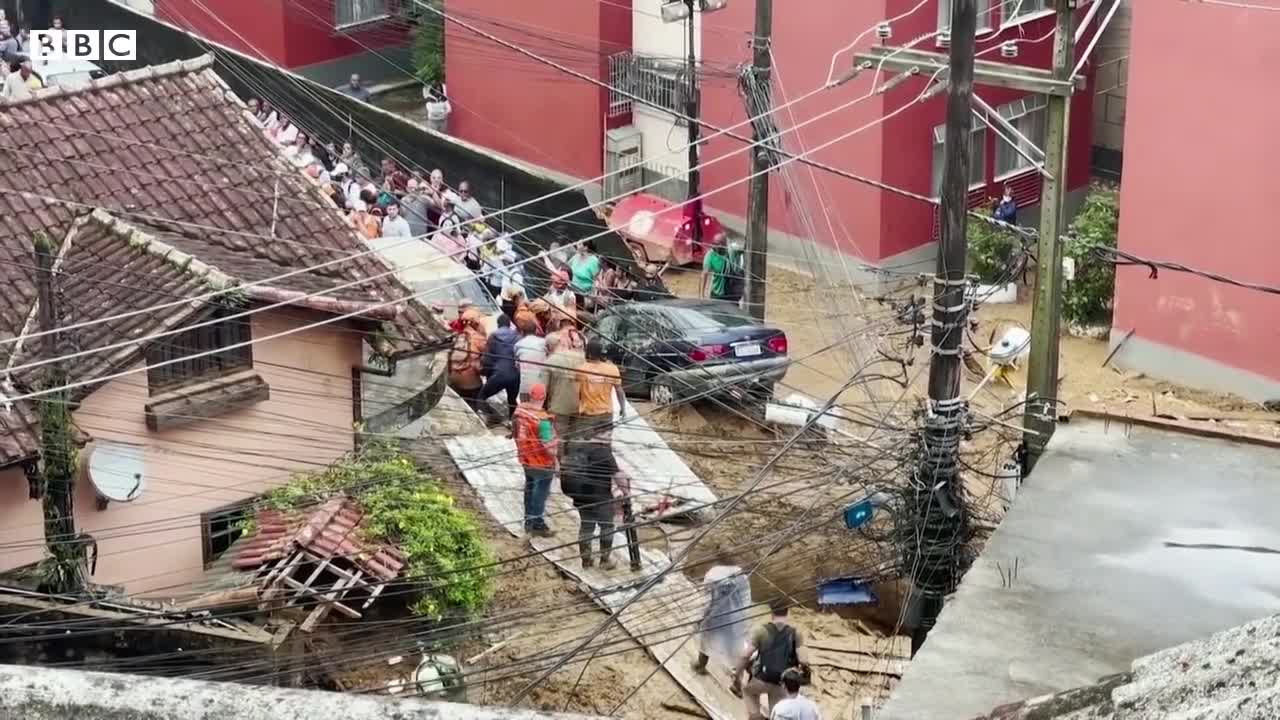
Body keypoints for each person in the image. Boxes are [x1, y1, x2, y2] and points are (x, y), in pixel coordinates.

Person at [731, 598, 809, 720]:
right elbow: (804, 660)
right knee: (777, 714)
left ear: (772, 612)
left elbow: (745, 655)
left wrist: (737, 674)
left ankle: (757, 717)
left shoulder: (761, 631)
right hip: (782, 684)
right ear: (787, 612)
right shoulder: (796, 634)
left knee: (747, 691)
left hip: (762, 679)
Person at [561, 441, 621, 570]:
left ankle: (586, 561)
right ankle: (604, 560)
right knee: (607, 527)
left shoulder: (578, 448)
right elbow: (617, 475)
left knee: (586, 527)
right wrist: (627, 493)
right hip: (601, 497)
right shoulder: (604, 452)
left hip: (581, 497)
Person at [511, 383, 557, 537]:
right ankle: (537, 523)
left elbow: (514, 429)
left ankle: (528, 521)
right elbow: (547, 444)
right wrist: (555, 458)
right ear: (544, 397)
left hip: (525, 457)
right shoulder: (542, 419)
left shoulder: (520, 410)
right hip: (542, 462)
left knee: (530, 488)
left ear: (530, 395)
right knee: (540, 493)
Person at [542, 332, 585, 460]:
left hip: (559, 407)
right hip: (580, 405)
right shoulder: (581, 357)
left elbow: (543, 389)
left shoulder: (549, 362)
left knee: (559, 437)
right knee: (575, 436)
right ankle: (574, 463)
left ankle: (561, 465)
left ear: (548, 347)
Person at [578, 338, 625, 443]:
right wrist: (623, 408)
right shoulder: (612, 369)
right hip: (606, 413)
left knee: (588, 445)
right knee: (604, 444)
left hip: (588, 413)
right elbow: (619, 390)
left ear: (588, 353)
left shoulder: (581, 369)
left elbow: (577, 391)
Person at [480, 314, 522, 421]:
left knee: (481, 396)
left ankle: (488, 417)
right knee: (512, 400)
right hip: (515, 374)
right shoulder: (517, 336)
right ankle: (512, 423)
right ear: (509, 324)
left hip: (499, 374)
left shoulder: (493, 336)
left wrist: (486, 373)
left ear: (498, 325)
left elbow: (487, 359)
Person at [448, 312, 487, 412]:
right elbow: (487, 356)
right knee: (477, 405)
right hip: (472, 383)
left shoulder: (452, 339)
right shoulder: (477, 339)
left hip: (455, 380)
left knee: (461, 406)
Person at [514, 318, 548, 400]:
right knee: (539, 409)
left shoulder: (518, 344)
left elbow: (517, 366)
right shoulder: (543, 342)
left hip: (525, 385)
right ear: (536, 331)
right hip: (540, 385)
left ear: (522, 332)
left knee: (525, 409)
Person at [568, 241, 602, 307]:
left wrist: (591, 298)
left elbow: (596, 281)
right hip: (570, 290)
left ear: (585, 248)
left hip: (584, 294)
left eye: (579, 244)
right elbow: (567, 267)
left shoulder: (594, 261)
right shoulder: (576, 256)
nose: (576, 244)